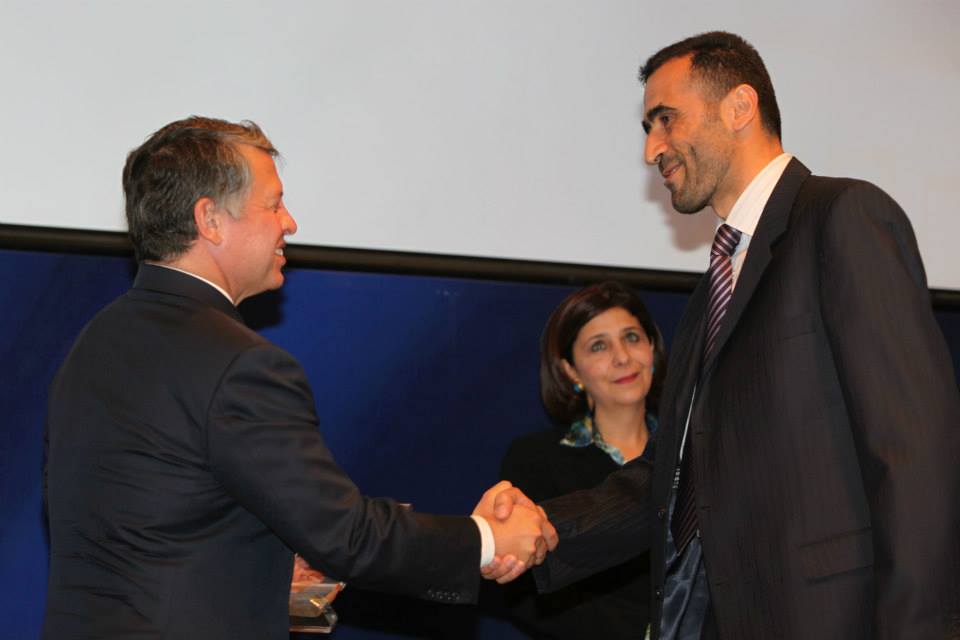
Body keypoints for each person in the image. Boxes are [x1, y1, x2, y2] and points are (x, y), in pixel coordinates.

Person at [492, 31, 960, 639]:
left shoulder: (842, 216)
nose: (651, 150)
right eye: (647, 129)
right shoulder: (714, 288)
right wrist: (539, 529)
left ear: (740, 107)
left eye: (665, 119)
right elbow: (672, 477)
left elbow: (912, 452)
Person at [42, 116, 554, 640]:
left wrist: (262, 569)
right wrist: (487, 540)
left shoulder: (95, 343)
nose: (289, 223)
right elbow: (346, 536)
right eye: (273, 204)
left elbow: (150, 525)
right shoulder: (240, 364)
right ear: (210, 219)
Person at [499, 281, 666, 639]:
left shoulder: (694, 449)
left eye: (632, 338)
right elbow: (522, 587)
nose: (623, 357)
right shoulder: (536, 459)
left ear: (652, 348)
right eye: (599, 346)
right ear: (571, 371)